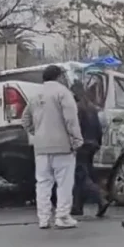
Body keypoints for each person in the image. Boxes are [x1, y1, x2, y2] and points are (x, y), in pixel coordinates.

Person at [21, 65, 83, 229]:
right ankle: (62, 217)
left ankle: (43, 218)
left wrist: (37, 132)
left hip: (41, 148)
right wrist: (76, 140)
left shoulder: (35, 95)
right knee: (64, 183)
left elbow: (25, 120)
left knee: (42, 183)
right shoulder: (63, 93)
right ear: (59, 76)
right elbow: (71, 120)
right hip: (62, 147)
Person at [70, 81, 112, 218]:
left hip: (81, 145)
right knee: (81, 176)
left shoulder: (77, 108)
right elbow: (99, 129)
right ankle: (77, 207)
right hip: (92, 145)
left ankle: (101, 198)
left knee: (80, 176)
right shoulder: (92, 107)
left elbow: (75, 129)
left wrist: (73, 144)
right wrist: (97, 143)